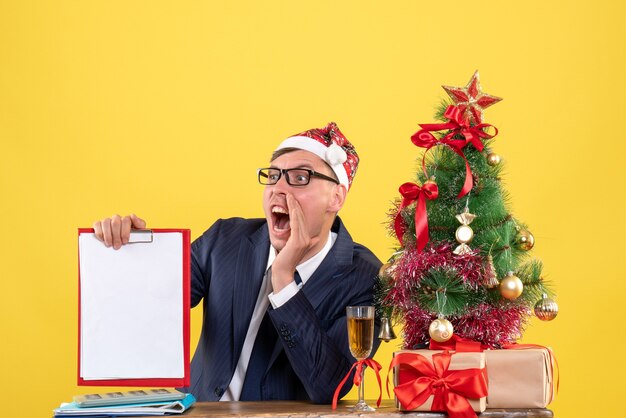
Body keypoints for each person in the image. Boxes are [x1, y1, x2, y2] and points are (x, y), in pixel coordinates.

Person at [92, 122, 382, 403]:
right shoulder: (225, 240)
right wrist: (132, 253)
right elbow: (154, 304)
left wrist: (283, 277)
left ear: (336, 196)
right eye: (273, 176)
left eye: (300, 177)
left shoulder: (367, 277)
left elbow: (329, 386)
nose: (278, 189)